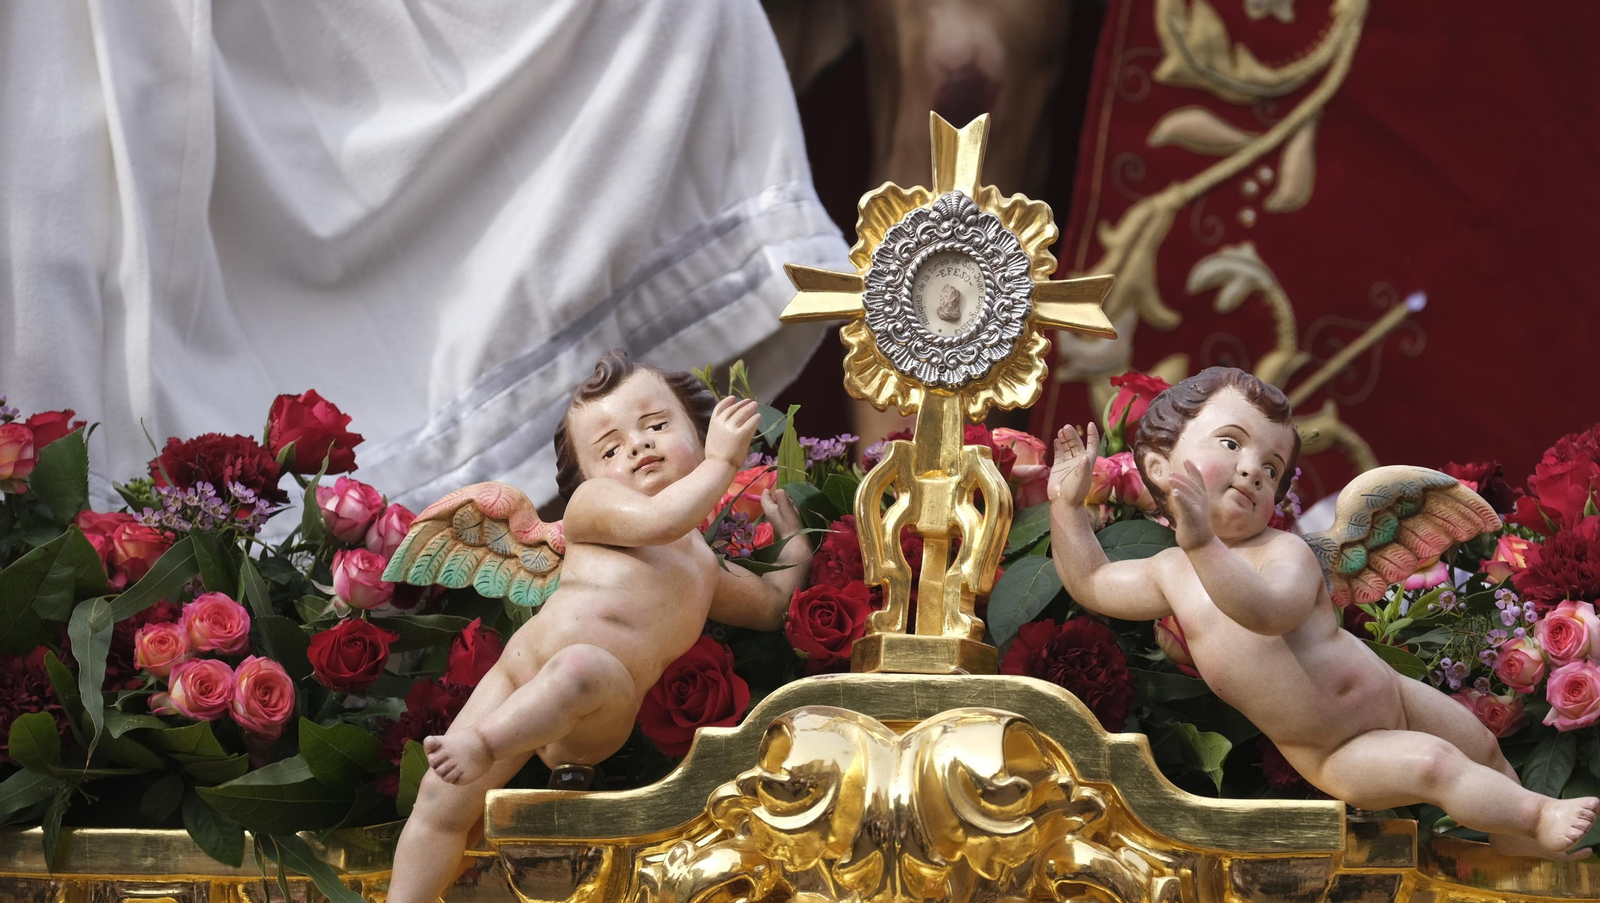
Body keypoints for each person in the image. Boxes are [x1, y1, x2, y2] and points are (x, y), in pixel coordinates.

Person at [1046, 367, 1598, 860]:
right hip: (1334, 751)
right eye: (1231, 443)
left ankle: (1519, 849)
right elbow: (1092, 580)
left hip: (1393, 693)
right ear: (1161, 466)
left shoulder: (1285, 552)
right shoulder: (1170, 570)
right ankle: (1538, 816)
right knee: (1435, 764)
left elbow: (1269, 612)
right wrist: (1067, 507)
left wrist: (1201, 546)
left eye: (1272, 466)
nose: (1254, 471)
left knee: (1482, 748)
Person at [385, 350, 812, 903]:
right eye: (609, 449)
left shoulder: (705, 568)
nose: (637, 445)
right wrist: (721, 465)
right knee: (442, 796)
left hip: (595, 706)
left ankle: (486, 745)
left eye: (656, 425)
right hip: (521, 668)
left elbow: (772, 606)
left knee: (581, 667)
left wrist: (797, 548)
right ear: (583, 477)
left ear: (699, 430)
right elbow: (662, 520)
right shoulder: (595, 506)